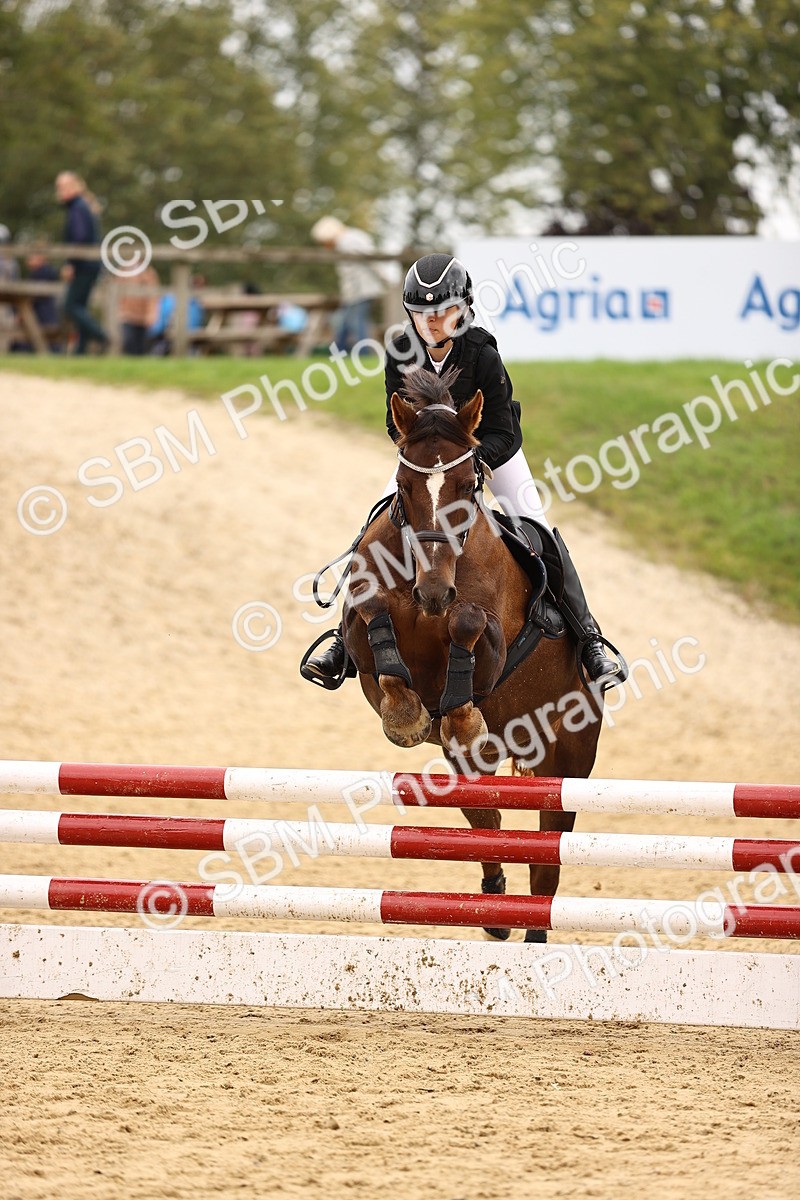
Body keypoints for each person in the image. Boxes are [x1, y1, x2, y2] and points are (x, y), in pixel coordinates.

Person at [301, 254, 627, 692]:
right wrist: (423, 454)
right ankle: (341, 642)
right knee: (372, 531)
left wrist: (471, 462)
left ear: (463, 309)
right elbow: (391, 419)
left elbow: (502, 429)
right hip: (428, 464)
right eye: (421, 314)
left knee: (540, 531)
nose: (432, 322)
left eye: (442, 312)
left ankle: (589, 641)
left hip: (491, 452)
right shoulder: (400, 351)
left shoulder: (482, 353)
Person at [310, 216, 391, 352]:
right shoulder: (345, 242)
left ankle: (363, 354)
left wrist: (386, 279)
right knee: (345, 323)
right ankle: (339, 353)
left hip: (362, 290)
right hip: (354, 292)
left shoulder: (350, 241)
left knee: (356, 323)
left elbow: (371, 259)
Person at [55, 171, 108, 354]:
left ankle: (101, 336)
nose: (59, 191)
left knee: (71, 306)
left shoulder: (77, 207)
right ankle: (80, 353)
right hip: (90, 263)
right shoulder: (84, 205)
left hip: (84, 264)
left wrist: (70, 263)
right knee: (81, 307)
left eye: (62, 187)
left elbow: (79, 238)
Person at [116, 263, 160, 355]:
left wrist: (151, 314)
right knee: (129, 342)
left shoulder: (148, 272)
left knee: (140, 347)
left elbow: (153, 296)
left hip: (142, 317)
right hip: (127, 315)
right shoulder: (123, 271)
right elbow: (116, 292)